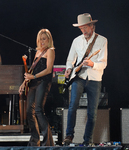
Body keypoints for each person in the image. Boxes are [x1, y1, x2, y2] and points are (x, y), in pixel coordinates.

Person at [63, 13, 108, 146]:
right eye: (81, 28)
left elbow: (104, 63)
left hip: (95, 78)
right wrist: (69, 69)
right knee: (72, 107)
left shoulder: (102, 40)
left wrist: (92, 64)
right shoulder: (76, 41)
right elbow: (70, 59)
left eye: (85, 28)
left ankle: (87, 140)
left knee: (92, 112)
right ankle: (69, 136)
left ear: (92, 26)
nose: (83, 31)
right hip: (79, 77)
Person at [19, 29, 55, 146]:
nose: (42, 41)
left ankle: (47, 142)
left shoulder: (50, 51)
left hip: (43, 82)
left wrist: (33, 76)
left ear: (48, 39)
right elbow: (31, 71)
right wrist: (23, 84)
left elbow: (48, 70)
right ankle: (35, 140)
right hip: (34, 83)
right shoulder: (37, 52)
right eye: (40, 39)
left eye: (44, 39)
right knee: (29, 111)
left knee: (39, 110)